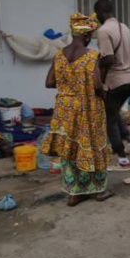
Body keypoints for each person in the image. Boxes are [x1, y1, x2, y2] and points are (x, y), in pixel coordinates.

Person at [42, 13, 114, 207]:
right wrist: (105, 95)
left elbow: (49, 82)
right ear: (87, 36)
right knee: (93, 143)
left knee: (70, 148)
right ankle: (99, 190)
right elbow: (98, 86)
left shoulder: (59, 55)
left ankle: (75, 193)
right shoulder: (91, 56)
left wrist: (68, 83)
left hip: (65, 109)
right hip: (87, 107)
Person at [94, 0, 130, 171]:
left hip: (116, 81)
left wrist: (100, 83)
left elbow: (108, 59)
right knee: (113, 112)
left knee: (109, 120)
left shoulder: (104, 30)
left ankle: (122, 160)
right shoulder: (124, 27)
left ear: (99, 13)